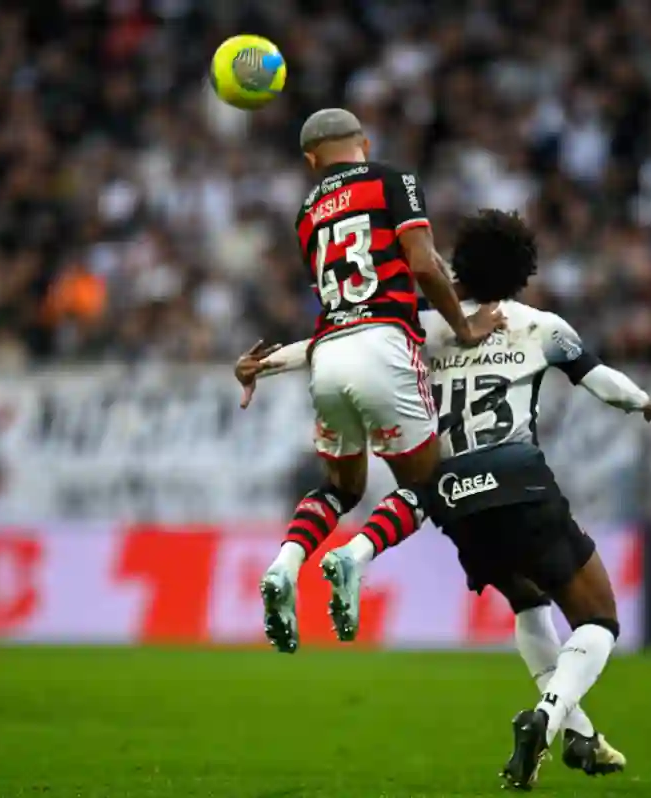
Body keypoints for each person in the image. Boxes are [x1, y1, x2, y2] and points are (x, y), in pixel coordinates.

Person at [238, 209, 651, 787]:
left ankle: (580, 735)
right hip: (520, 483)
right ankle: (550, 715)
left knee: (529, 604)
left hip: (455, 497)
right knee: (599, 619)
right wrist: (641, 401)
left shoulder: (424, 328)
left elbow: (321, 346)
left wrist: (264, 362)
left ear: (459, 270)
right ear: (519, 275)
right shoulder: (541, 326)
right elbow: (603, 382)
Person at [257, 108, 503, 654]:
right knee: (426, 484)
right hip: (385, 346)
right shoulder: (393, 180)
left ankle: (285, 563)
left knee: (341, 488)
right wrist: (463, 326)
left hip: (329, 355)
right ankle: (356, 556)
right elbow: (420, 263)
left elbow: (345, 290)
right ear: (363, 143)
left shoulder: (305, 212)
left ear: (310, 161)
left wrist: (269, 362)